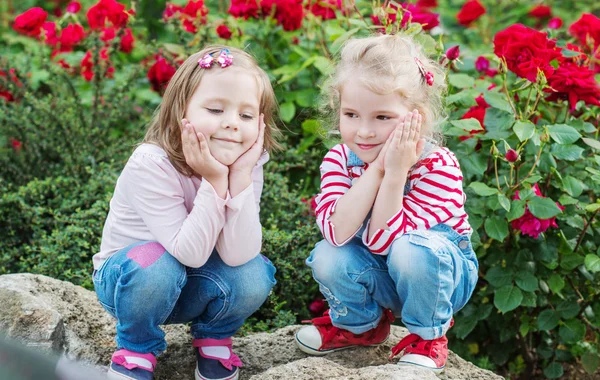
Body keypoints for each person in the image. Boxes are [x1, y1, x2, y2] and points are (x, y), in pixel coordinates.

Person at [92, 45, 280, 380]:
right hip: (132, 283)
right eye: (216, 109)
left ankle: (214, 340)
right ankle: (135, 348)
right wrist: (214, 179)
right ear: (183, 110)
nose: (232, 125)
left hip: (190, 285)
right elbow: (187, 252)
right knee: (158, 262)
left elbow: (239, 254)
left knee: (255, 272)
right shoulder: (151, 162)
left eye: (247, 116)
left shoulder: (246, 163)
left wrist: (236, 177)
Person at [295, 34, 478, 375]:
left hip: (438, 276)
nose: (364, 131)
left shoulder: (437, 166)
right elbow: (336, 233)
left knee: (411, 248)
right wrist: (378, 169)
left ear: (417, 118)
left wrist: (395, 173)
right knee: (327, 254)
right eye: (351, 114)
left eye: (382, 117)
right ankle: (361, 326)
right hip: (381, 273)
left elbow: (387, 241)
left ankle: (428, 336)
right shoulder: (339, 159)